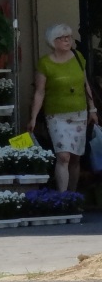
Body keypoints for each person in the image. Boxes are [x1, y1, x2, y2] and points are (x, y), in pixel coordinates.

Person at [28, 24, 98, 192]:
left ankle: (72, 196)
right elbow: (40, 92)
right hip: (56, 115)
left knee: (75, 157)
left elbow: (85, 83)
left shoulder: (78, 57)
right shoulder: (45, 63)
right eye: (63, 38)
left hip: (79, 113)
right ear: (53, 41)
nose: (67, 41)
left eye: (69, 37)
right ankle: (62, 197)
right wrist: (33, 117)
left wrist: (92, 108)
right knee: (63, 156)